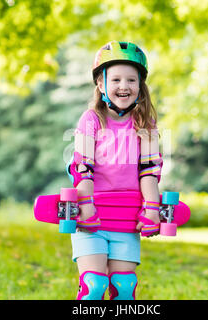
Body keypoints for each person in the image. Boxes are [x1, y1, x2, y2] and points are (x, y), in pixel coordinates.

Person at [66, 41, 163, 300]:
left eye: (132, 80)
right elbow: (83, 167)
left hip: (127, 218)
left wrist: (152, 208)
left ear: (140, 85)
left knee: (124, 288)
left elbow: (149, 171)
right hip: (92, 216)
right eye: (116, 79)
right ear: (101, 84)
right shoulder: (91, 120)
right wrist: (85, 204)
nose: (124, 86)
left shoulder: (146, 123)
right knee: (94, 286)